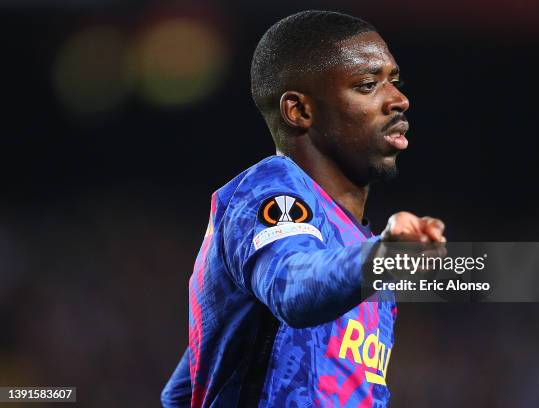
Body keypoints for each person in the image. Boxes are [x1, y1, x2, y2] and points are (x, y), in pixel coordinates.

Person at [161, 10, 446, 408]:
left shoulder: (356, 244)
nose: (399, 100)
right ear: (299, 111)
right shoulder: (272, 192)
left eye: (393, 82)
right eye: (367, 85)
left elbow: (184, 389)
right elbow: (293, 289)